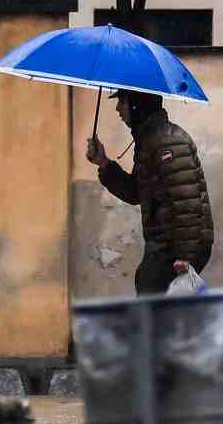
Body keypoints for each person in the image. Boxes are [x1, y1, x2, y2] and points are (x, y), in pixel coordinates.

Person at [85, 90, 213, 294]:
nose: (118, 108)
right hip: (166, 245)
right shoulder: (150, 140)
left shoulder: (167, 142)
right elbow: (136, 192)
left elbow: (186, 202)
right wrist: (103, 162)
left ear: (137, 104)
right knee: (156, 308)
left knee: (151, 306)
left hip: (174, 247)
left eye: (122, 101)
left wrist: (185, 257)